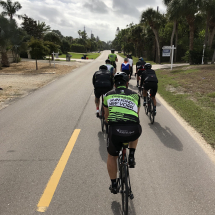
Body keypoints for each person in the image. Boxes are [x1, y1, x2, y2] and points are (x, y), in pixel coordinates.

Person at [103, 72, 142, 194]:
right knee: (135, 123)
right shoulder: (136, 96)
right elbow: (136, 115)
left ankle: (114, 185)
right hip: (133, 131)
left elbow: (106, 117)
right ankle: (131, 156)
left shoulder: (108, 95)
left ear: (114, 85)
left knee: (111, 156)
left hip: (116, 132)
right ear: (127, 83)